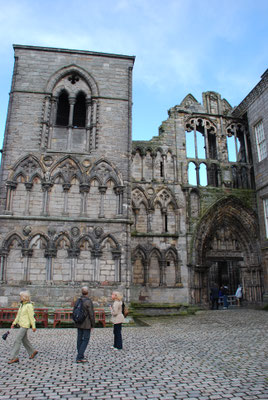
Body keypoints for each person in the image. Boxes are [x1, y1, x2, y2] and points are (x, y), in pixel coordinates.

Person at [8, 291, 38, 364]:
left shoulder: (29, 306)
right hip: (21, 324)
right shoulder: (22, 305)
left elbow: (32, 317)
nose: (20, 298)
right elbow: (18, 315)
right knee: (24, 340)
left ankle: (14, 357)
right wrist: (14, 323)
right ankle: (32, 351)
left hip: (25, 325)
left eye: (21, 296)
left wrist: (33, 326)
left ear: (24, 297)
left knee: (17, 340)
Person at [74, 286, 95, 363]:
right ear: (87, 292)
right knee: (85, 339)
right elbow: (91, 314)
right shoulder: (88, 301)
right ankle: (79, 356)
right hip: (86, 324)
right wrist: (93, 324)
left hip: (79, 322)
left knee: (79, 339)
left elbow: (74, 311)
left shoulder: (78, 300)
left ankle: (80, 355)